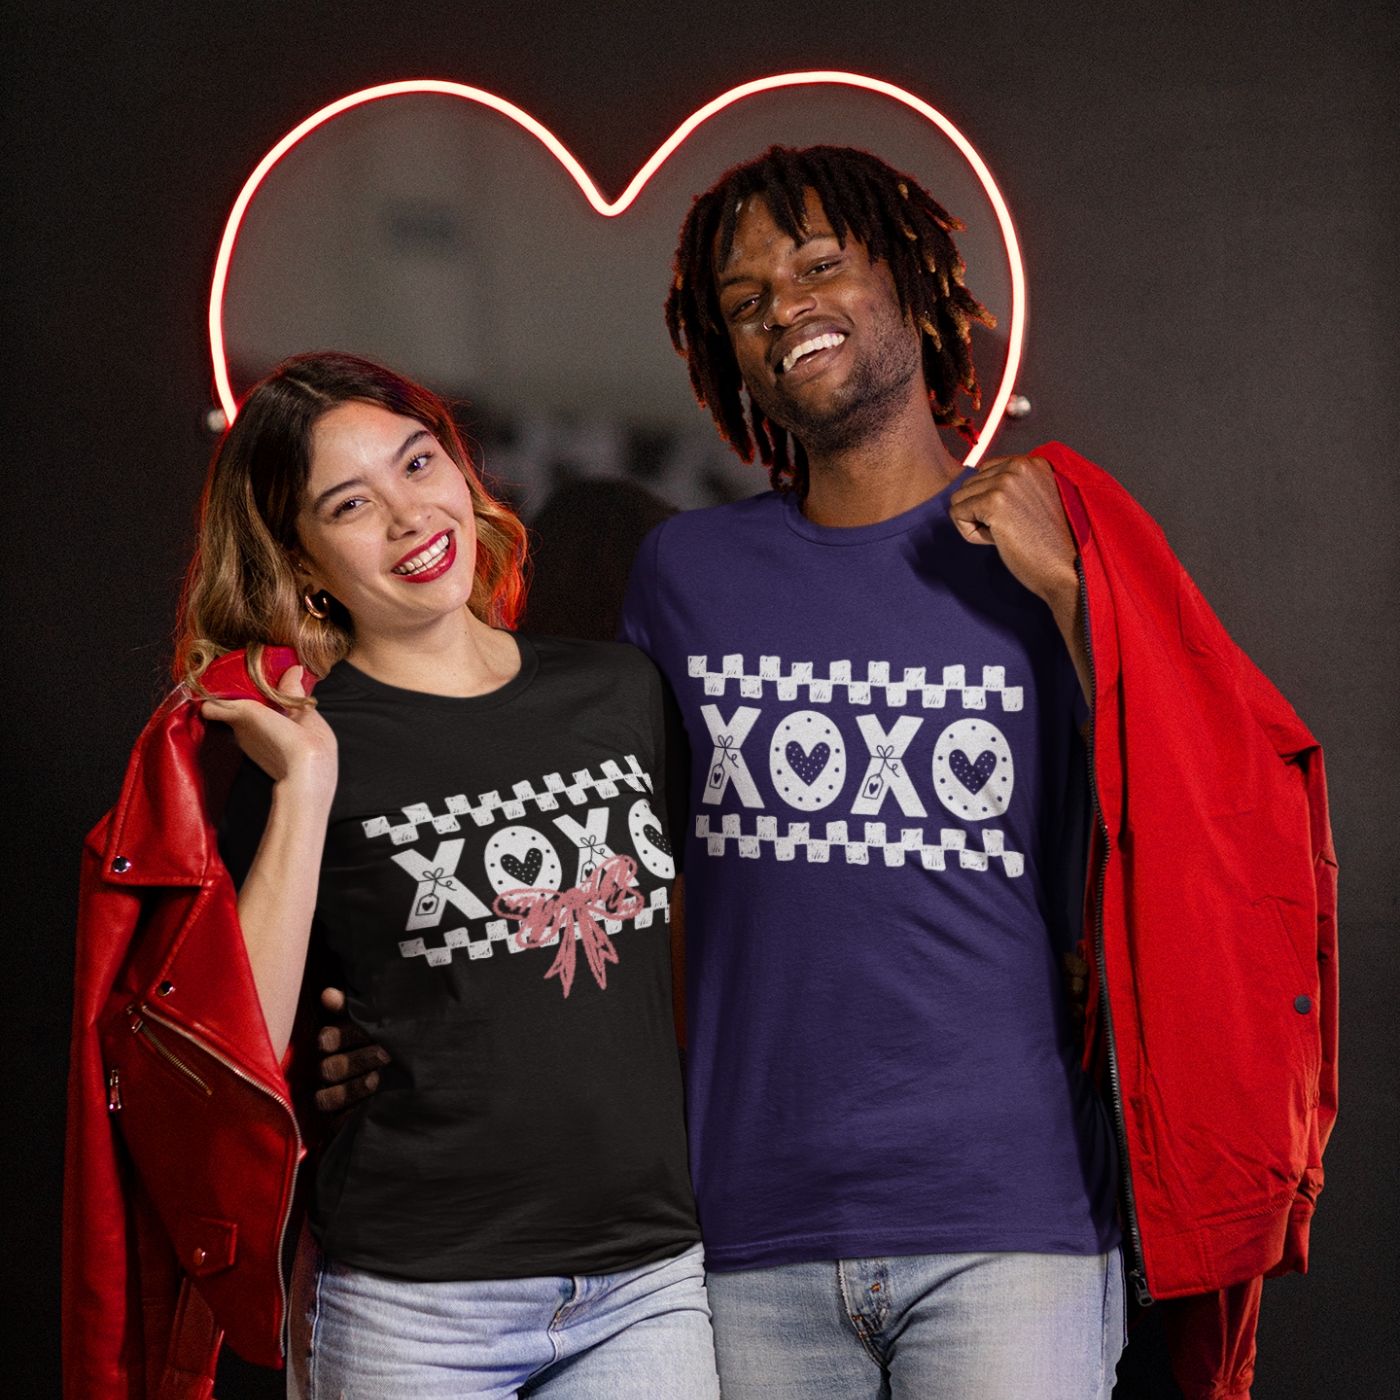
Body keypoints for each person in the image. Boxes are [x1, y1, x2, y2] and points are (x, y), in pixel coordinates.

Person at [318, 147, 1336, 1399]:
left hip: (1011, 1220)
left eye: (816, 266)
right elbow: (586, 860)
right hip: (746, 1226)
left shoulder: (1053, 546)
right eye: (744, 301)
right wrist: (392, 1020)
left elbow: (1204, 798)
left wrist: (1075, 596)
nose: (783, 309)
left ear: (907, 280)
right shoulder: (686, 574)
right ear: (726, 355)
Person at [64, 352, 719, 1400]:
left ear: (460, 469)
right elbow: (238, 1049)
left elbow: (704, 958)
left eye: (417, 464)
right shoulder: (293, 744)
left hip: (644, 1282)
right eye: (349, 504)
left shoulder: (622, 691)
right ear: (302, 558)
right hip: (412, 1308)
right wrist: (307, 785)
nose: (410, 516)